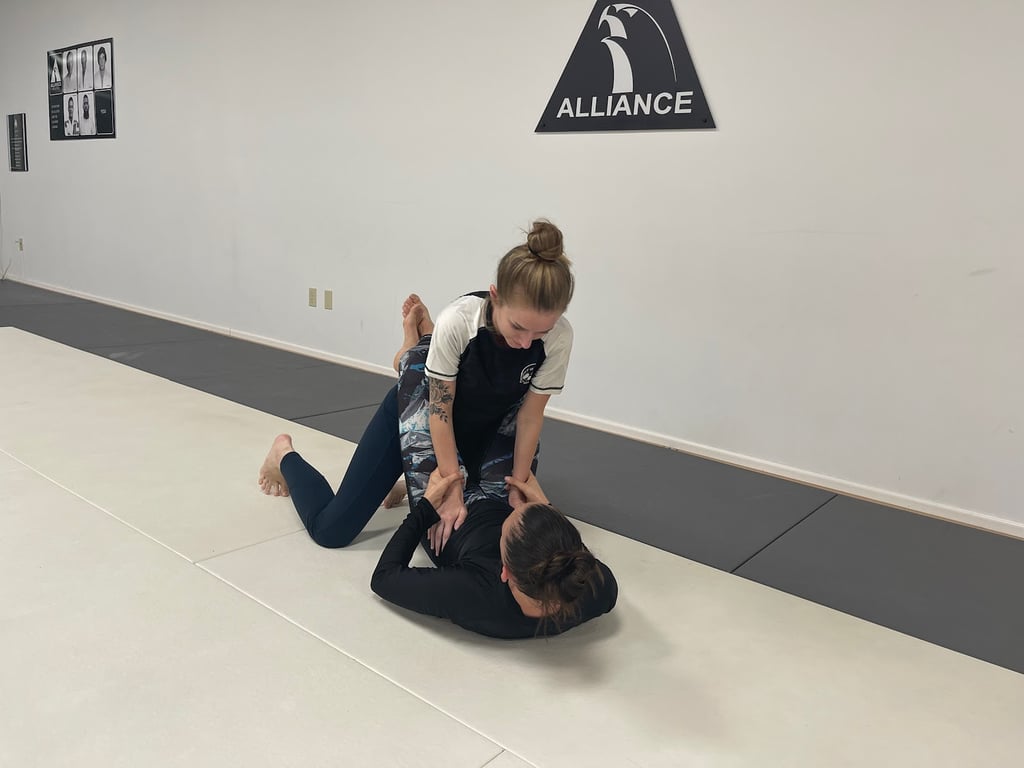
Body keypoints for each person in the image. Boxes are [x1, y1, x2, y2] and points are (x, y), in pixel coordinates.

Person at [258, 323, 616, 639]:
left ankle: (284, 453)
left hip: (444, 496)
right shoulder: (588, 590)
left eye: (515, 517)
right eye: (531, 510)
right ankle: (434, 343)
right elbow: (589, 568)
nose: (519, 505)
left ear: (504, 572)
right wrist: (543, 505)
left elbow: (384, 578)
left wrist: (425, 507)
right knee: (509, 405)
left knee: (329, 530)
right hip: (493, 476)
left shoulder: (476, 597)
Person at [414, 220, 575, 555]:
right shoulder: (459, 321)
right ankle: (417, 343)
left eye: (540, 333)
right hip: (429, 405)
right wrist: (451, 486)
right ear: (495, 296)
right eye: (518, 327)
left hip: (492, 419)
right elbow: (440, 411)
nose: (526, 342)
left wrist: (519, 483)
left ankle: (406, 483)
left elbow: (530, 416)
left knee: (500, 520)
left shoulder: (560, 337)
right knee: (334, 529)